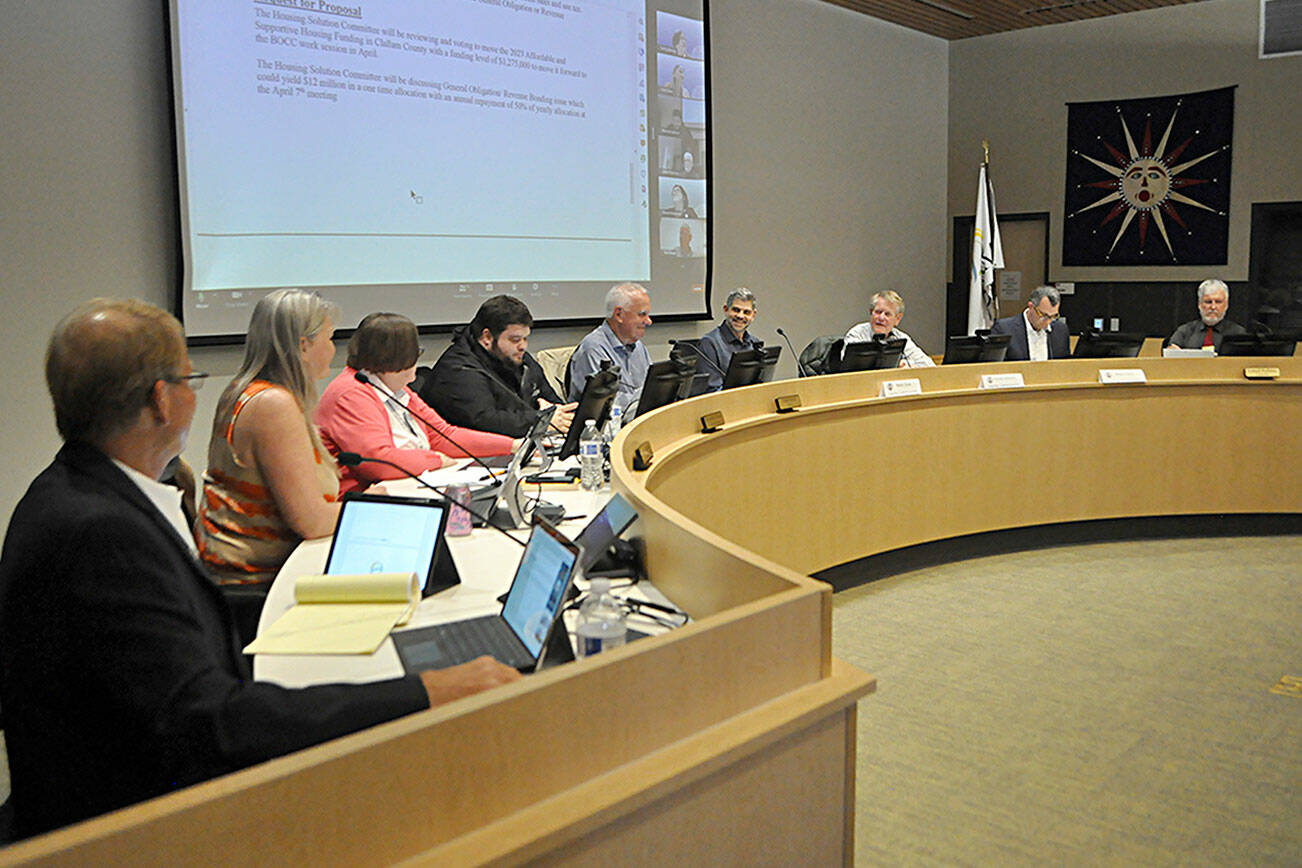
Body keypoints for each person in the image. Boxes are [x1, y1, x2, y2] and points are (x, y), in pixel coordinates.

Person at [0, 298, 519, 839]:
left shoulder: (79, 493)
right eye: (189, 380)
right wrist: (425, 691)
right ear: (161, 401)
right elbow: (210, 725)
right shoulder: (100, 534)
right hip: (125, 831)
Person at [198, 289, 344, 588]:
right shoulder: (273, 405)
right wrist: (370, 509)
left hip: (244, 575)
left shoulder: (244, 390)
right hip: (258, 585)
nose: (333, 349)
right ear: (303, 346)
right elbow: (311, 521)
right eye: (330, 339)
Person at [316, 312, 517, 495]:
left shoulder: (395, 387)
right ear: (399, 356)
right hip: (358, 502)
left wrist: (512, 445)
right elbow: (378, 461)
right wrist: (436, 460)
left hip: (405, 487)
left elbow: (444, 436)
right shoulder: (350, 393)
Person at [417, 296, 576, 439]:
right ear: (487, 337)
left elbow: (551, 401)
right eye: (515, 340)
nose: (523, 346)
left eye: (525, 338)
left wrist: (563, 415)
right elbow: (485, 420)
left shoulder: (521, 360)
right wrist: (541, 420)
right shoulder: (458, 369)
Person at [567, 283, 653, 413]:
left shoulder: (639, 347)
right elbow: (605, 404)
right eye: (642, 314)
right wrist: (647, 401)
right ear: (619, 314)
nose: (648, 321)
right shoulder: (593, 348)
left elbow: (650, 389)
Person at [845, 290, 935, 367]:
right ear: (871, 312)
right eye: (878, 312)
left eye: (887, 314)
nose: (881, 318)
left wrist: (906, 364)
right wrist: (896, 365)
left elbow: (929, 366)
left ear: (897, 319)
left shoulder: (901, 338)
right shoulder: (857, 334)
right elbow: (853, 366)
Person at [696, 288, 761, 391]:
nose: (740, 316)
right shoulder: (709, 343)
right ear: (726, 310)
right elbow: (711, 390)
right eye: (736, 310)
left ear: (753, 315)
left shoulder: (755, 343)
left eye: (746, 312)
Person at [989, 285, 1070, 361]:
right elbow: (995, 367)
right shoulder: (1004, 329)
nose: (1048, 321)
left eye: (1053, 316)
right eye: (1043, 315)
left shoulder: (1061, 330)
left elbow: (1064, 367)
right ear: (1031, 306)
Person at [1167, 279, 1246, 351]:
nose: (1213, 307)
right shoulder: (1185, 332)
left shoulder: (1238, 334)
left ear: (1226, 305)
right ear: (1199, 304)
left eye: (1218, 302)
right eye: (1208, 302)